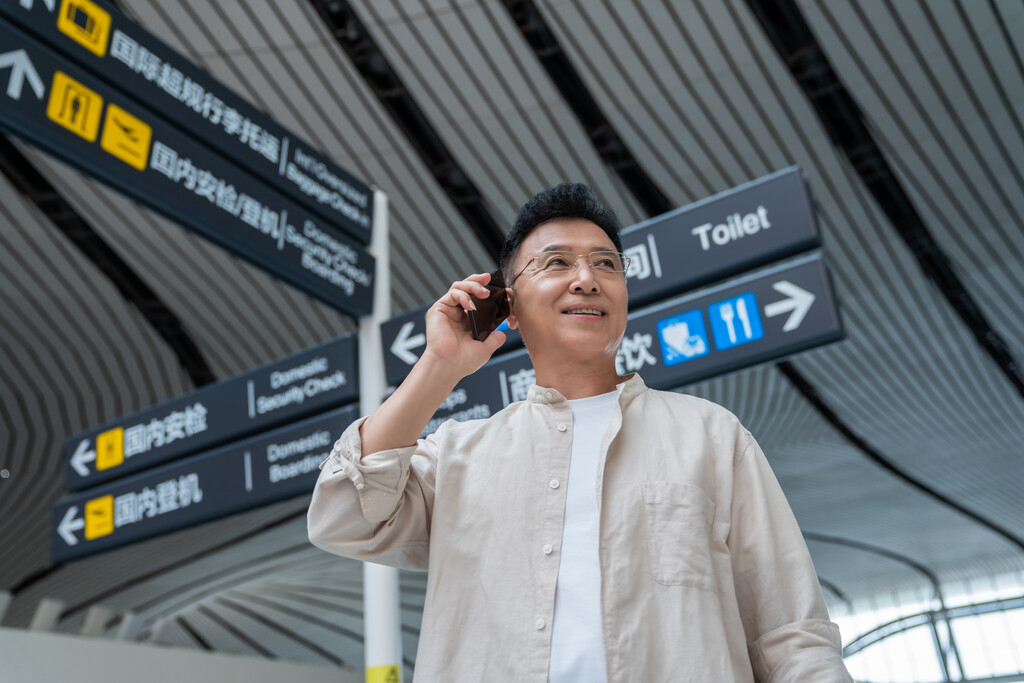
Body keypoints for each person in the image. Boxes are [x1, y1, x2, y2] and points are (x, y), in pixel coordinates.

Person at [308, 183, 852, 682]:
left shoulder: (711, 436)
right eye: (556, 262)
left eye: (606, 263)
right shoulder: (456, 457)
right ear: (508, 306)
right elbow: (341, 517)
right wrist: (440, 366)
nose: (587, 277)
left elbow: (792, 635)